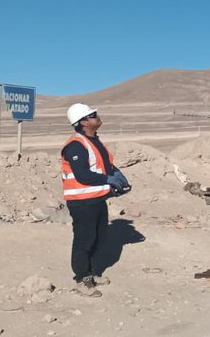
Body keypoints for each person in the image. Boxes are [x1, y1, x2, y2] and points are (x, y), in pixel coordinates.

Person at [61, 103, 130, 297]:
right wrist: (108, 179)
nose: (97, 117)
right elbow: (82, 175)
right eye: (93, 115)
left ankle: (92, 273)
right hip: (81, 202)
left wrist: (116, 175)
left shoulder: (94, 141)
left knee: (99, 237)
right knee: (84, 240)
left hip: (97, 199)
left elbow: (103, 166)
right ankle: (81, 279)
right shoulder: (75, 145)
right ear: (83, 122)